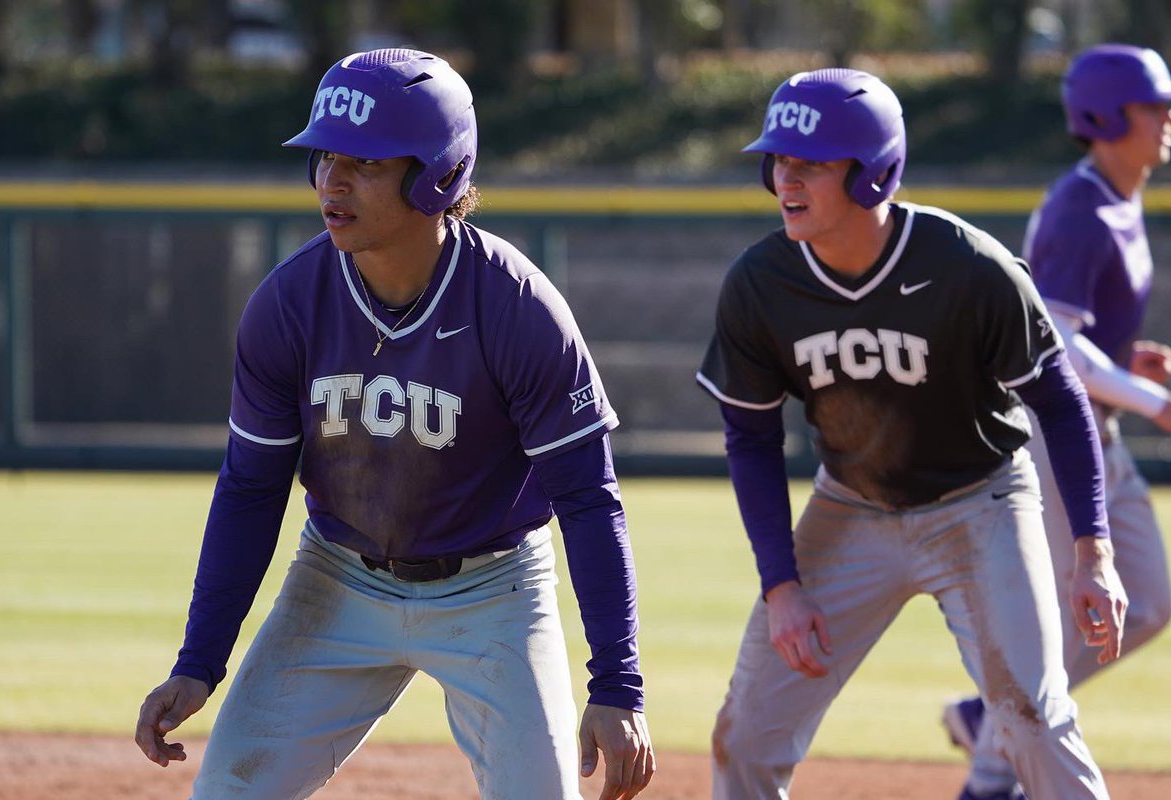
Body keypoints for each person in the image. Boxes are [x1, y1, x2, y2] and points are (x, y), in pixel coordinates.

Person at [133, 48, 654, 800]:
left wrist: (619, 684)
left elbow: (588, 498)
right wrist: (198, 660)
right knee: (227, 793)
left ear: (438, 174)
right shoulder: (289, 306)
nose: (330, 181)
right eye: (322, 158)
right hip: (339, 577)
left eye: (365, 163)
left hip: (493, 589)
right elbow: (250, 488)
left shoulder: (516, 309)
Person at [696, 67, 1128, 800]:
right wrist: (781, 585)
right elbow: (751, 438)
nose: (785, 179)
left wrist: (1093, 551)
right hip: (851, 509)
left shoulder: (968, 267)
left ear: (873, 175)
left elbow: (1058, 401)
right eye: (778, 161)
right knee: (746, 736)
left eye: (810, 164)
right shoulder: (760, 284)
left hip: (981, 504)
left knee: (1033, 720)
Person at [941, 43, 1171, 800]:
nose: (1166, 118)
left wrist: (1129, 364)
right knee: (1059, 624)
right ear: (1106, 116)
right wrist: (1156, 404)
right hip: (1047, 432)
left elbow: (1074, 331)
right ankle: (990, 771)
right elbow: (1061, 350)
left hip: (1096, 424)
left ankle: (989, 714)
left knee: (1148, 601)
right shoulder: (1082, 205)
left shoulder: (1116, 195)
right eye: (1153, 106)